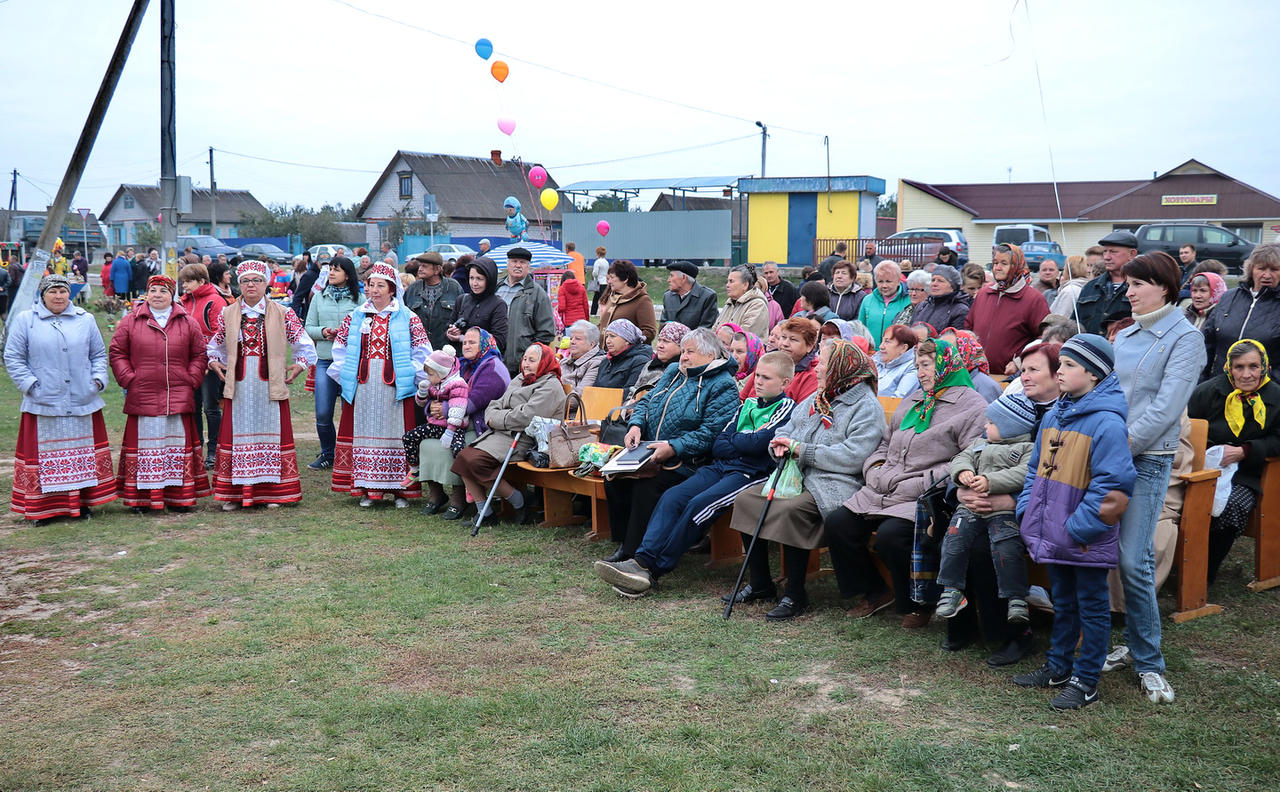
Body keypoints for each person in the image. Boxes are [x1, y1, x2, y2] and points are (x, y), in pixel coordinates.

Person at [595, 351, 798, 597]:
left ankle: (653, 570)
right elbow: (720, 444)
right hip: (721, 466)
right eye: (757, 376)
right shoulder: (748, 404)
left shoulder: (787, 408)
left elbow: (759, 444)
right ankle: (641, 561)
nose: (758, 382)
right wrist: (742, 442)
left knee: (698, 505)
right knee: (673, 497)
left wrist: (739, 441)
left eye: (766, 378)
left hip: (749, 475)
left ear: (785, 382)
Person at [1012, 334, 1136, 711]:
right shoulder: (1054, 415)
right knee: (1063, 601)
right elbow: (1035, 471)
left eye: (1068, 365)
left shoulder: (1107, 424)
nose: (1059, 371)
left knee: (1092, 606)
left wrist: (1077, 529)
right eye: (1060, 363)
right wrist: (1025, 509)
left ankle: (1086, 680)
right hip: (1053, 531)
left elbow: (1113, 487)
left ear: (1094, 374)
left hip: (1082, 537)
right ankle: (1059, 666)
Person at [830, 338, 986, 626]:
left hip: (922, 493)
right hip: (882, 486)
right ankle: (875, 590)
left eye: (926, 365)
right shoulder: (914, 399)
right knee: (838, 523)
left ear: (946, 364)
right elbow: (884, 444)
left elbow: (968, 457)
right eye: (917, 366)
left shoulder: (972, 406)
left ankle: (916, 602)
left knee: (892, 537)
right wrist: (874, 468)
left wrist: (921, 482)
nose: (921, 372)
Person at [1107, 250, 1205, 704]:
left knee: (1134, 560)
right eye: (1127, 285)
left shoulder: (1185, 338)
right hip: (1106, 454)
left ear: (1164, 286)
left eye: (1137, 285)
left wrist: (1122, 445)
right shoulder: (1125, 336)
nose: (1128, 293)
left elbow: (1167, 408)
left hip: (1148, 458)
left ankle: (1148, 661)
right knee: (1099, 552)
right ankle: (1105, 641)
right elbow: (1105, 392)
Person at [727, 340, 886, 619]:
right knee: (747, 500)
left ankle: (795, 595)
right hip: (798, 475)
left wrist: (802, 450)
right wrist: (778, 443)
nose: (818, 368)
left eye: (824, 363)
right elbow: (789, 428)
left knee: (789, 509)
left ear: (840, 367)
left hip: (836, 481)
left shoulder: (865, 405)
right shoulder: (820, 396)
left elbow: (854, 457)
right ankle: (761, 583)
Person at [598, 328, 741, 563]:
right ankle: (625, 541)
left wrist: (674, 447)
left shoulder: (722, 384)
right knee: (615, 477)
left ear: (710, 355)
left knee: (649, 486)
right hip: (650, 450)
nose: (683, 357)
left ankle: (634, 552)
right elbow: (645, 402)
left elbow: (712, 433)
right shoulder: (674, 371)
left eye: (690, 352)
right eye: (683, 351)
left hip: (689, 461)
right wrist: (635, 426)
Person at [4, 275, 117, 524]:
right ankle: (45, 509)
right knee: (47, 456)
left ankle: (80, 504)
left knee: (79, 455)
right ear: (42, 295)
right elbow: (13, 357)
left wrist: (97, 381)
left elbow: (98, 353)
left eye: (63, 292)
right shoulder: (26, 321)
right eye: (53, 291)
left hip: (81, 397)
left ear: (70, 294)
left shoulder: (84, 319)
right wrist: (31, 386)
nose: (58, 296)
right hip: (44, 400)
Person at [206, 259, 317, 511]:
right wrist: (214, 363)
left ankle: (272, 493)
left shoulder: (283, 312)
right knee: (240, 434)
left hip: (270, 384)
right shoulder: (228, 313)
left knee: (269, 433)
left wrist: (299, 365)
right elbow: (215, 346)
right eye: (245, 281)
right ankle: (236, 493)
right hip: (241, 385)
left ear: (266, 283)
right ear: (238, 284)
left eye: (256, 280)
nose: (251, 285)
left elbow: (305, 345)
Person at [327, 262, 431, 508]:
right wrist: (347, 375)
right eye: (370, 284)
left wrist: (412, 376)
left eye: (380, 285)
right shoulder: (356, 316)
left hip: (394, 387)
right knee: (367, 434)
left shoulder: (408, 317)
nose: (374, 290)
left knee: (395, 435)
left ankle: (400, 491)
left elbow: (422, 351)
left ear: (392, 289)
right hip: (363, 385)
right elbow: (341, 348)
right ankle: (368, 489)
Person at [108, 275, 211, 513]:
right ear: (147, 293)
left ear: (171, 295)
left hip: (178, 392)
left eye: (163, 291)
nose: (157, 295)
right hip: (143, 392)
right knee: (146, 447)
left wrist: (192, 378)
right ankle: (142, 499)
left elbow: (199, 354)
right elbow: (117, 352)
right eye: (152, 290)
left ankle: (179, 497)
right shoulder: (131, 321)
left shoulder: (187, 322)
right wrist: (128, 378)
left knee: (175, 444)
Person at [935, 393, 1037, 623]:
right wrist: (963, 473)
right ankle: (951, 589)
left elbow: (1025, 473)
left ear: (1010, 428)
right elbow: (961, 458)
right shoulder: (981, 443)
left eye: (991, 423)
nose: (985, 426)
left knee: (1007, 548)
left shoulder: (1027, 449)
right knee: (954, 540)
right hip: (969, 509)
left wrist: (991, 482)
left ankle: (1016, 597)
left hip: (1003, 512)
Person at [1187, 339, 1280, 584]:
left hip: (1247, 473)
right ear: (1229, 367)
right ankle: (1182, 559)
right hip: (1202, 466)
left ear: (1264, 366)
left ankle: (1204, 570)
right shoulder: (1207, 392)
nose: (1247, 374)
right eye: (1239, 367)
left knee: (1231, 507)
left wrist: (1245, 451)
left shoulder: (1276, 397)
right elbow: (1187, 430)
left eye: (1253, 366)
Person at [451, 343, 566, 524]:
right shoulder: (520, 378)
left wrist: (497, 418)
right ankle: (485, 513)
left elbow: (526, 416)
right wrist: (498, 416)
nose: (526, 364)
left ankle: (519, 501)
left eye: (532, 360)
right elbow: (495, 404)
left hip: (526, 439)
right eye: (525, 359)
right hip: (502, 434)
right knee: (462, 459)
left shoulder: (550, 386)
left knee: (475, 463)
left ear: (544, 362)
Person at [423, 328, 511, 517]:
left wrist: (443, 409)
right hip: (456, 422)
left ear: (485, 344)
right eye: (464, 342)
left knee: (453, 447)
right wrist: (432, 407)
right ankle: (437, 494)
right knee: (423, 442)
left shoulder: (493, 367)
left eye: (472, 342)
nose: (467, 346)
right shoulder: (461, 364)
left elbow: (473, 402)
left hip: (483, 427)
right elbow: (438, 390)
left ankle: (459, 497)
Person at [303, 255, 361, 471]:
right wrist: (323, 332)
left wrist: (348, 335)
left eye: (336, 269)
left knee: (351, 411)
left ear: (348, 274)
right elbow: (308, 327)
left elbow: (367, 327)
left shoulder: (360, 300)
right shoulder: (319, 297)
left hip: (351, 363)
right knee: (323, 413)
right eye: (330, 270)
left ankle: (353, 453)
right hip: (326, 360)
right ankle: (328, 453)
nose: (332, 273)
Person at [965, 244, 1050, 375]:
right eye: (995, 263)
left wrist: (1019, 362)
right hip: (976, 375)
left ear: (1016, 265)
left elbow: (1044, 338)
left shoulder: (1033, 299)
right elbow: (968, 329)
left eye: (1004, 263)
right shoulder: (983, 294)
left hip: (1010, 378)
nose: (997, 268)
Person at [178, 263, 232, 467]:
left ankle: (214, 451)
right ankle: (195, 449)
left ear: (201, 281)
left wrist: (210, 358)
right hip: (188, 363)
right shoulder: (183, 302)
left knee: (211, 407)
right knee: (192, 407)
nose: (185, 285)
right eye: (183, 281)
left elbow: (220, 332)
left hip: (210, 363)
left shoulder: (215, 301)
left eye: (189, 281)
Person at [1202, 244, 1280, 379]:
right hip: (1220, 386)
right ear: (1251, 269)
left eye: (1274, 269)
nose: (1267, 275)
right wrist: (1202, 383)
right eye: (1261, 268)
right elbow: (1207, 344)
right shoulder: (1229, 298)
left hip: (1264, 393)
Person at [401, 346, 471, 487]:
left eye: (431, 374)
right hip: (436, 426)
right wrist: (422, 392)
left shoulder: (458, 385)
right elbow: (422, 404)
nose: (428, 378)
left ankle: (469, 483)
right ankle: (415, 469)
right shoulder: (436, 384)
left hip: (454, 428)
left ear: (442, 372)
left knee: (458, 450)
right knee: (408, 437)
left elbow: (458, 408)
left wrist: (450, 431)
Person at [497, 247, 556, 376]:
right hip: (495, 362)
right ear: (508, 263)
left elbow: (546, 332)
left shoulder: (537, 294)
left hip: (520, 366)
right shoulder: (496, 288)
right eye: (514, 261)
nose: (518, 265)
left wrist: (529, 357)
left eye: (522, 262)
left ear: (528, 266)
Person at [740, 317, 821, 402]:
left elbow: (801, 412)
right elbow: (743, 398)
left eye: (793, 339)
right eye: (783, 337)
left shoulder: (812, 375)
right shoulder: (766, 361)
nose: (785, 344)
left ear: (809, 346)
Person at [1075, 232, 1136, 335]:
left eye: (1113, 252)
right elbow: (1075, 324)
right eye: (1104, 252)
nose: (1106, 257)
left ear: (1132, 254)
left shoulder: (1143, 288)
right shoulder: (1090, 287)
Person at [403, 251, 463, 351]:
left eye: (425, 266)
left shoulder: (454, 288)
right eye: (420, 266)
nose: (420, 269)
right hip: (419, 351)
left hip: (447, 350)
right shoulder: (413, 289)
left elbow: (463, 316)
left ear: (438, 269)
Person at [446, 256, 508, 352]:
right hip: (460, 361)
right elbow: (448, 326)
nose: (474, 283)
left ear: (489, 280)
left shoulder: (498, 305)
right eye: (471, 278)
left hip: (483, 363)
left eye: (479, 279)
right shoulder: (462, 299)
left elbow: (499, 341)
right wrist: (451, 332)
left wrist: (463, 338)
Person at [597, 260, 657, 344]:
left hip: (628, 355)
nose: (609, 281)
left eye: (612, 277)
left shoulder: (642, 300)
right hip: (607, 354)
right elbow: (603, 325)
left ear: (625, 279)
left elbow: (649, 332)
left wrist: (626, 342)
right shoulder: (613, 298)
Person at [629, 321, 687, 398]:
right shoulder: (649, 365)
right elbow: (633, 392)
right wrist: (629, 403)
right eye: (659, 340)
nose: (660, 345)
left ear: (681, 347)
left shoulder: (683, 371)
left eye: (666, 341)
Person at [594, 319, 654, 392]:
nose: (608, 341)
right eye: (607, 336)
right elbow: (594, 389)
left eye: (612, 336)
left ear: (627, 340)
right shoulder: (605, 361)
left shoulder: (640, 362)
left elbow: (630, 392)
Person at [858, 260, 910, 345]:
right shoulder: (867, 300)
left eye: (888, 281)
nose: (884, 286)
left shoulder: (909, 300)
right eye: (880, 281)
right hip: (871, 354)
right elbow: (860, 330)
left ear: (898, 281)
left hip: (898, 354)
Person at [911, 264, 971, 334]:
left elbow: (955, 340)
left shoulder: (960, 310)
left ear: (952, 287)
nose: (934, 284)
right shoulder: (922, 306)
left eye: (940, 281)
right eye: (933, 280)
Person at [715, 265, 769, 338]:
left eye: (731, 281)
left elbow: (743, 338)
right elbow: (715, 329)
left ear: (745, 285)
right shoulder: (729, 304)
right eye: (727, 281)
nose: (727, 285)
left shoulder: (757, 305)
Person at [661, 260, 718, 330]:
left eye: (671, 276)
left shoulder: (707, 297)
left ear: (684, 278)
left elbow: (706, 329)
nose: (668, 280)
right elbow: (663, 325)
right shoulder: (668, 297)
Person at [560, 320, 606, 394]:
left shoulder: (597, 363)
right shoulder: (564, 361)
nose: (572, 342)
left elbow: (580, 397)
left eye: (578, 339)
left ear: (591, 344)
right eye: (571, 338)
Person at [874, 324, 920, 397]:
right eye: (882, 341)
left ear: (903, 348)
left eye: (887, 342)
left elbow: (898, 400)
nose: (881, 346)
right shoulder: (876, 361)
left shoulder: (912, 368)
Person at [1050, 254, 1091, 321]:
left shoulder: (1069, 291)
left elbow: (1062, 319)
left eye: (1064, 268)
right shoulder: (1087, 288)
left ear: (1069, 270)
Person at [727, 325, 766, 394]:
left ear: (753, 355)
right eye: (731, 351)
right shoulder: (726, 375)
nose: (733, 356)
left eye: (739, 351)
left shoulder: (760, 383)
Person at [590, 246, 609, 315]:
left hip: (599, 282)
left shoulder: (597, 262)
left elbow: (595, 273)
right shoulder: (606, 262)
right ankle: (605, 312)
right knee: (604, 299)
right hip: (605, 282)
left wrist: (594, 276)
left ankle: (593, 313)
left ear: (598, 253)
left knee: (596, 299)